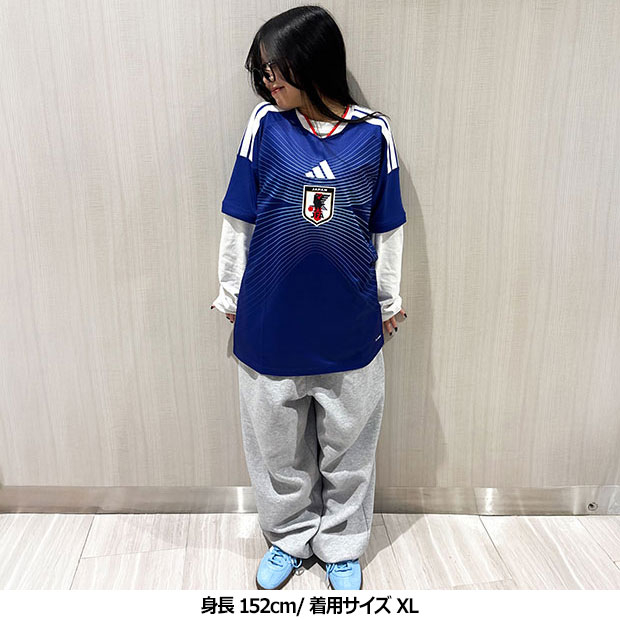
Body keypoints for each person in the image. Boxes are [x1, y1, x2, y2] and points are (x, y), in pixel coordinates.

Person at [211, 5, 407, 590]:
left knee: (350, 449)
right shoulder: (265, 126)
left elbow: (388, 228)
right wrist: (230, 292)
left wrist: (388, 302)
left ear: (314, 60)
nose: (268, 79)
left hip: (349, 329)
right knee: (277, 451)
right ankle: (288, 537)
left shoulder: (374, 134)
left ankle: (342, 545)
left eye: (277, 66)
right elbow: (239, 219)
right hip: (269, 326)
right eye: (263, 69)